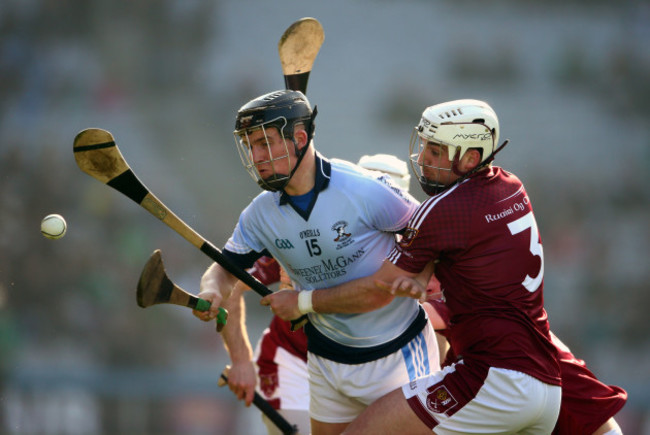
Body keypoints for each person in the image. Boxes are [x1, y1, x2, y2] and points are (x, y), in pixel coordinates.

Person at [272, 98, 564, 434]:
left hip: (491, 380)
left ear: (471, 157)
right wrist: (423, 272)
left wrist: (303, 301)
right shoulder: (511, 186)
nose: (423, 159)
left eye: (437, 152)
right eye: (424, 146)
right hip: (546, 384)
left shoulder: (442, 210)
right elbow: (460, 247)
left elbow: (375, 287)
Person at [194, 89, 439, 435]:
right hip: (326, 361)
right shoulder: (260, 215)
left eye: (265, 144)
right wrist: (212, 289)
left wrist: (421, 274)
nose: (256, 156)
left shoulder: (363, 189)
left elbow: (430, 234)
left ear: (299, 138)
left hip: (396, 354)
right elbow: (224, 269)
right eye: (251, 146)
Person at [219, 153, 414, 435]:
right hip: (294, 361)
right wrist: (239, 360)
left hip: (377, 368)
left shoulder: (415, 255)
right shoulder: (306, 236)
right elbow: (231, 285)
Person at [422, 274, 627, 435]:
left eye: (436, 272)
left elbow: (415, 316)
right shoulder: (472, 337)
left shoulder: (478, 308)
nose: (428, 285)